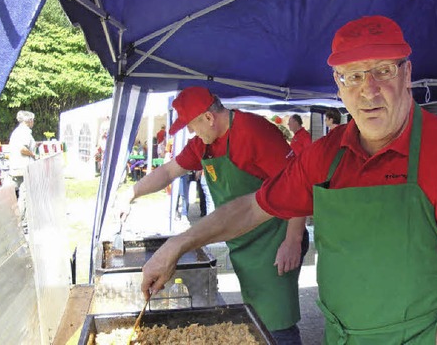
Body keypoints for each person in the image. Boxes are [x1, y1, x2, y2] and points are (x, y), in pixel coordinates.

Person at [141, 15, 437, 345]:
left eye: (383, 71)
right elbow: (253, 208)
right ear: (338, 84)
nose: (369, 89)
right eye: (353, 76)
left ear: (407, 74)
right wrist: (177, 245)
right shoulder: (327, 155)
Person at [122, 86, 308, 344]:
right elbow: (167, 172)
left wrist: (293, 241)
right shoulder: (203, 144)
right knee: (258, 316)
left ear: (208, 117)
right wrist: (131, 193)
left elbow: (298, 187)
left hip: (275, 238)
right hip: (243, 241)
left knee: (277, 321)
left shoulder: (254, 132)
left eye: (191, 124)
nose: (190, 132)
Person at [6, 110, 37, 230]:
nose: (33, 122)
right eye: (32, 120)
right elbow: (23, 149)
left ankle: (15, 220)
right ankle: (22, 222)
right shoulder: (24, 132)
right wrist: (33, 155)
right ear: (28, 121)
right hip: (23, 167)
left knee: (15, 195)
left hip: (15, 166)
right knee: (24, 195)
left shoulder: (17, 132)